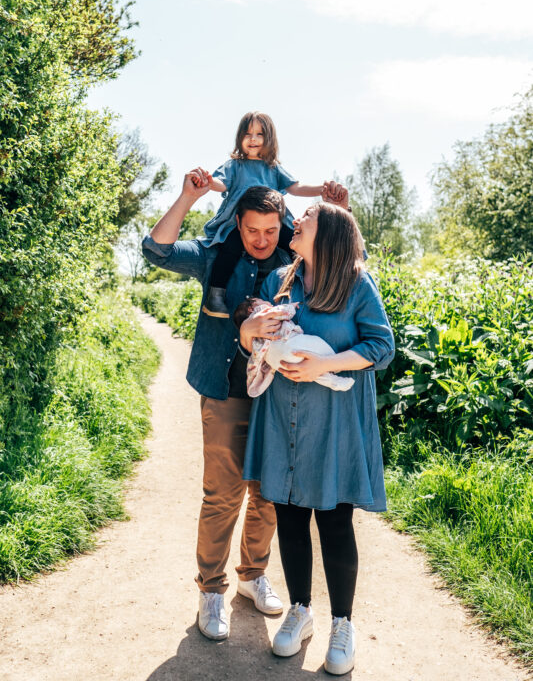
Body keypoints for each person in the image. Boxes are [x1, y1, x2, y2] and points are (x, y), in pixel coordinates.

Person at [141, 172, 348, 642]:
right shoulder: (216, 254)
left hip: (278, 396)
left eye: (271, 231)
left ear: (284, 225)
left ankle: (252, 576)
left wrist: (338, 213)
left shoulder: (293, 260)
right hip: (224, 388)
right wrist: (188, 196)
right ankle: (211, 589)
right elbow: (156, 251)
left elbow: (345, 268)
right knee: (222, 493)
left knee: (270, 493)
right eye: (252, 230)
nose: (261, 240)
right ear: (237, 222)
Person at [239, 203, 395, 675]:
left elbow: (381, 346)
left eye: (305, 216)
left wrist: (323, 365)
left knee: (333, 520)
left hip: (333, 424)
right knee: (288, 515)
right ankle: (301, 611)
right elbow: (255, 338)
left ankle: (343, 624)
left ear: (325, 231)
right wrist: (250, 335)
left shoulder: (355, 282)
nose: (296, 221)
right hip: (283, 418)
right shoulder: (279, 282)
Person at [196, 111, 340, 318]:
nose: (253, 139)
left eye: (259, 134)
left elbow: (296, 187)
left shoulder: (273, 168)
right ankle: (215, 296)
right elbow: (221, 184)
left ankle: (314, 284)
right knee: (230, 249)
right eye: (247, 134)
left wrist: (321, 189)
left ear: (269, 138)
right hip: (241, 224)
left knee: (295, 246)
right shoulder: (234, 166)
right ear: (240, 138)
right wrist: (209, 182)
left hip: (273, 221)